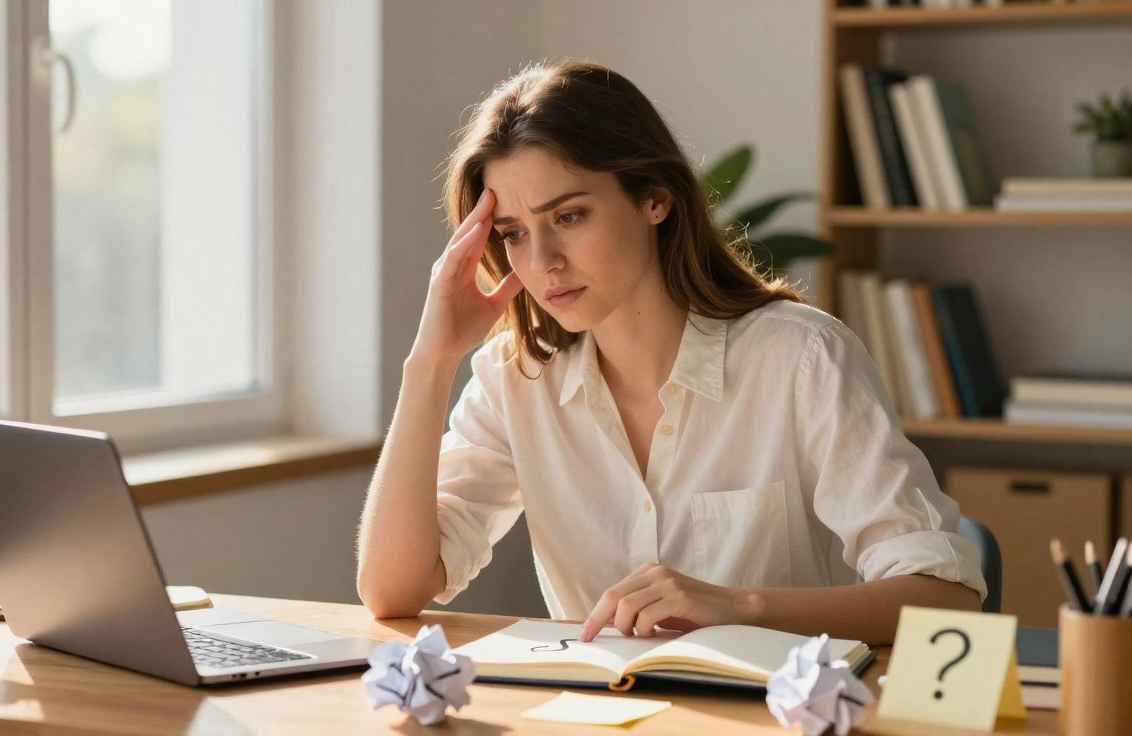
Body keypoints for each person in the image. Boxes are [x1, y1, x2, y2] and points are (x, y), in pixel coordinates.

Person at [355, 60, 983, 645]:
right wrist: (430, 363)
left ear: (655, 198)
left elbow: (945, 599)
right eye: (514, 234)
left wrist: (740, 607)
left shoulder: (801, 358)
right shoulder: (515, 379)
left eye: (568, 216)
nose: (542, 261)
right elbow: (392, 590)